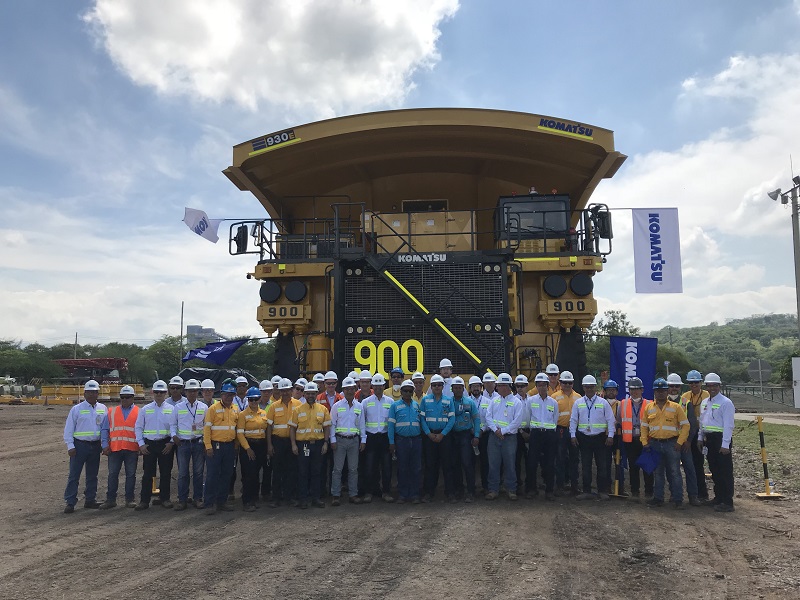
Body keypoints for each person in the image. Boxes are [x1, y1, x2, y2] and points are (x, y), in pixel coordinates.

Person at [641, 377, 690, 509]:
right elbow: (644, 426)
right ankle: (658, 498)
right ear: (654, 392)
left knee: (675, 472)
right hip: (655, 444)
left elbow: (686, 425)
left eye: (663, 390)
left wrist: (680, 442)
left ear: (667, 391)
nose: (660, 393)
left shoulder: (676, 407)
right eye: (658, 391)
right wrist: (645, 442)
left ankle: (678, 500)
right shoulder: (649, 408)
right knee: (658, 473)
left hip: (672, 444)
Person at [63, 380, 109, 513]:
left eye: (94, 392)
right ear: (84, 393)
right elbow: (69, 428)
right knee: (74, 475)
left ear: (97, 393)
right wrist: (70, 445)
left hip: (95, 446)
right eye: (89, 392)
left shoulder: (103, 409)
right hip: (79, 446)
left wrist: (103, 444)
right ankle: (70, 502)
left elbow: (104, 428)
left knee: (92, 475)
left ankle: (90, 499)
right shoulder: (76, 409)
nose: (92, 395)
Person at [570, 375, 615, 500]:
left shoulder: (603, 403)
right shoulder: (578, 403)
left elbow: (610, 421)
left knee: (602, 465)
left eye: (591, 387)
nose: (589, 389)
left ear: (595, 387)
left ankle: (602, 491)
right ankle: (586, 490)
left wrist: (610, 436)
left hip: (600, 438)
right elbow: (573, 420)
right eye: (586, 387)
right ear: (583, 387)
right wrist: (573, 435)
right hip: (584, 438)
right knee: (585, 465)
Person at [134, 380, 177, 510]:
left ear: (165, 393)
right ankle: (144, 500)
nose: (159, 394)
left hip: (165, 444)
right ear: (153, 392)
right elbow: (138, 427)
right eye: (157, 392)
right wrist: (141, 444)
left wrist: (171, 443)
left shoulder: (172, 409)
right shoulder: (145, 410)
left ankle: (165, 498)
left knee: (165, 473)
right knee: (148, 474)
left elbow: (175, 427)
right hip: (149, 446)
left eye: (162, 392)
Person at [697, 373, 736, 512]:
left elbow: (728, 425)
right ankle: (718, 497)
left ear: (719, 386)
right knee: (714, 470)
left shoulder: (726, 403)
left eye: (715, 385)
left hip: (720, 439)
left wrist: (725, 444)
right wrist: (700, 437)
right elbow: (702, 421)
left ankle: (727, 501)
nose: (712, 388)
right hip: (709, 439)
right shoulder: (705, 402)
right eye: (709, 385)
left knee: (724, 471)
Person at [290, 382, 331, 509]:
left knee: (316, 472)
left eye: (313, 393)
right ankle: (303, 499)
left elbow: (326, 427)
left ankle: (316, 498)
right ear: (304, 394)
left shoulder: (323, 409)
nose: (310, 396)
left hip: (318, 445)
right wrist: (293, 445)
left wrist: (325, 443)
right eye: (308, 393)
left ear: (316, 394)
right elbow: (292, 429)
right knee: (303, 472)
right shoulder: (298, 410)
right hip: (303, 445)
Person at [485, 373, 524, 501]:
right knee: (493, 464)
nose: (498, 388)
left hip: (509, 438)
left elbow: (517, 421)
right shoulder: (494, 401)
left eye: (501, 385)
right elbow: (488, 417)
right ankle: (493, 489)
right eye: (498, 385)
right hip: (494, 437)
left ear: (507, 386)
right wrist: (496, 430)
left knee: (510, 464)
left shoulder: (517, 403)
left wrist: (503, 431)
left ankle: (511, 489)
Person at [101, 385, 139, 509]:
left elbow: (142, 430)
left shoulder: (139, 412)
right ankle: (110, 499)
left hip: (131, 449)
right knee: (112, 474)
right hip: (115, 449)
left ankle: (130, 499)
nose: (125, 399)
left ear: (133, 398)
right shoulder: (111, 411)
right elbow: (105, 429)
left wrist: (141, 446)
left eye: (128, 397)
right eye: (123, 397)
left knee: (131, 475)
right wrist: (105, 445)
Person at [203, 381, 239, 514]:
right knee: (212, 475)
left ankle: (221, 502)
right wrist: (208, 446)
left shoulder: (235, 409)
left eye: (231, 395)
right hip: (215, 446)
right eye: (226, 394)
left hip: (229, 447)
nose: (229, 397)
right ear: (221, 394)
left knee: (226, 475)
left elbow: (236, 429)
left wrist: (236, 445)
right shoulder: (213, 409)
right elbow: (206, 429)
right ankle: (209, 503)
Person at [329, 376, 365, 506]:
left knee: (353, 469)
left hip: (354, 441)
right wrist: (332, 439)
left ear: (355, 390)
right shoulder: (336, 406)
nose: (350, 391)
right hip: (340, 440)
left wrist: (363, 440)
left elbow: (362, 424)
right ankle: (336, 495)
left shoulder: (359, 406)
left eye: (352, 389)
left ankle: (353, 494)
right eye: (347, 389)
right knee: (337, 469)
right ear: (343, 390)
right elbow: (332, 424)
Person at [420, 373, 456, 502]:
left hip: (444, 436)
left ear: (443, 386)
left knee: (447, 465)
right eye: (434, 385)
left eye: (439, 385)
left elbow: (452, 419)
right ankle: (429, 493)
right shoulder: (425, 400)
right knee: (430, 466)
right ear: (431, 386)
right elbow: (422, 419)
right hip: (429, 437)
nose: (436, 387)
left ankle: (450, 493)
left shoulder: (448, 400)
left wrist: (442, 434)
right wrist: (429, 433)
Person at [173, 378, 207, 510]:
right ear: (185, 391)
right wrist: (174, 436)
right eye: (189, 391)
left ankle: (198, 498)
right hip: (183, 444)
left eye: (194, 391)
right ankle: (182, 500)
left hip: (198, 442)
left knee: (198, 472)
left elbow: (206, 425)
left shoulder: (203, 407)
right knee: (183, 473)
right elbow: (173, 424)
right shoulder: (178, 407)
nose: (192, 393)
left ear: (198, 392)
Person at [266, 378, 301, 508]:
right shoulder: (273, 406)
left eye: (287, 390)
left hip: (292, 441)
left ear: (291, 390)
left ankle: (289, 497)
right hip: (277, 441)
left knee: (291, 470)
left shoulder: (298, 405)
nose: (285, 393)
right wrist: (269, 445)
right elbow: (269, 427)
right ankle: (276, 497)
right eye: (283, 390)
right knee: (277, 470)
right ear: (279, 391)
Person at [667, 373, 701, 506]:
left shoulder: (686, 403)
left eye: (676, 386)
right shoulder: (662, 402)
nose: (674, 388)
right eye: (671, 386)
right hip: (671, 442)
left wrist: (688, 441)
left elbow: (692, 424)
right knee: (672, 470)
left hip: (685, 442)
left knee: (690, 469)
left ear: (680, 387)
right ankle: (674, 494)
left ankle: (693, 496)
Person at [388, 379, 424, 503]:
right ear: (401, 392)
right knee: (402, 468)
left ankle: (414, 494)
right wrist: (391, 442)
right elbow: (391, 426)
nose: (408, 393)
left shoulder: (416, 405)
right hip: (401, 441)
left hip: (416, 440)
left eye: (410, 391)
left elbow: (420, 422)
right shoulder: (395, 406)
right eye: (405, 391)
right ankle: (403, 494)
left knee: (416, 468)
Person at [525, 373, 559, 500]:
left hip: (550, 434)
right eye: (539, 385)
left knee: (550, 463)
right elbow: (527, 418)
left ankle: (549, 491)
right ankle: (531, 489)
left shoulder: (553, 402)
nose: (542, 387)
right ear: (536, 387)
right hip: (535, 434)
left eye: (544, 385)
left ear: (547, 386)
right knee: (532, 463)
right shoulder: (530, 401)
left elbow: (555, 420)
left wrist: (550, 431)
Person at [362, 373, 394, 503]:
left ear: (384, 386)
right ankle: (369, 492)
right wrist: (363, 439)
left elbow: (392, 423)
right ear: (372, 386)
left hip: (385, 438)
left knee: (386, 467)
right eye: (375, 386)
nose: (378, 388)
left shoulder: (390, 402)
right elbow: (362, 423)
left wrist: (392, 441)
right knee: (370, 467)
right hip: (371, 438)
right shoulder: (365, 402)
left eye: (380, 386)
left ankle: (386, 492)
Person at [618, 377, 653, 499]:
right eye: (632, 389)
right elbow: (619, 420)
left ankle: (649, 493)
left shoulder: (649, 404)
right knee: (633, 467)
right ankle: (635, 492)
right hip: (630, 440)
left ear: (642, 390)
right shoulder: (623, 403)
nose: (634, 392)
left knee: (648, 467)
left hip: (645, 441)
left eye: (637, 389)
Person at [236, 386, 268, 511]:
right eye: (251, 400)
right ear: (248, 400)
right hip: (248, 446)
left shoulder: (264, 413)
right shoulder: (243, 415)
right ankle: (247, 501)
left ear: (260, 399)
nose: (254, 402)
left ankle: (255, 498)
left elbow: (266, 430)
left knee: (256, 474)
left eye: (256, 399)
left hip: (261, 445)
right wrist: (247, 449)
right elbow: (240, 433)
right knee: (249, 474)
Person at [450, 376, 480, 502]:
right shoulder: (448, 402)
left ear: (463, 388)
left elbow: (476, 419)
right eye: (455, 388)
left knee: (467, 464)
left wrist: (477, 435)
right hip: (452, 436)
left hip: (466, 436)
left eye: (460, 388)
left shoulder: (470, 402)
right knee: (454, 464)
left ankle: (471, 491)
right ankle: (458, 490)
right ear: (452, 389)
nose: (457, 390)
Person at [682, 369, 710, 501]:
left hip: (703, 434)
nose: (694, 385)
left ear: (701, 383)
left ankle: (702, 493)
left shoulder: (707, 395)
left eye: (696, 383)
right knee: (690, 464)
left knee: (699, 464)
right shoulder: (685, 397)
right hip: (689, 434)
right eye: (691, 383)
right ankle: (693, 492)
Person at [553, 371, 580, 495]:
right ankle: (560, 485)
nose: (567, 385)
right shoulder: (554, 397)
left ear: (573, 383)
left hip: (575, 432)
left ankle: (574, 486)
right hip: (561, 430)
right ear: (560, 383)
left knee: (574, 459)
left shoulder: (578, 397)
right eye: (564, 382)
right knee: (560, 458)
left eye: (569, 382)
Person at [478, 372, 499, 493]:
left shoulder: (498, 396)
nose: (489, 384)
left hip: (496, 433)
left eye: (491, 382)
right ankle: (485, 484)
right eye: (486, 382)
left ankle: (497, 483)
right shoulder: (480, 398)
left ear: (495, 384)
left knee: (494, 460)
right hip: (484, 433)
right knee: (484, 460)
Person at [602, 379, 621, 493]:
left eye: (613, 390)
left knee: (619, 461)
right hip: (604, 436)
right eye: (608, 390)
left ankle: (620, 487)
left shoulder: (621, 404)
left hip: (617, 436)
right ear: (604, 391)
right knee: (605, 462)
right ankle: (607, 486)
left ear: (617, 392)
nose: (611, 392)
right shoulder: (601, 403)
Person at [513, 374, 530, 495]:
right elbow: (512, 419)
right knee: (516, 460)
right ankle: (517, 484)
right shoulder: (513, 401)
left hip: (530, 432)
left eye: (522, 386)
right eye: (518, 386)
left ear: (527, 386)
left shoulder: (533, 400)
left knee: (531, 460)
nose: (520, 388)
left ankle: (530, 485)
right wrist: (521, 431)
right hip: (518, 434)